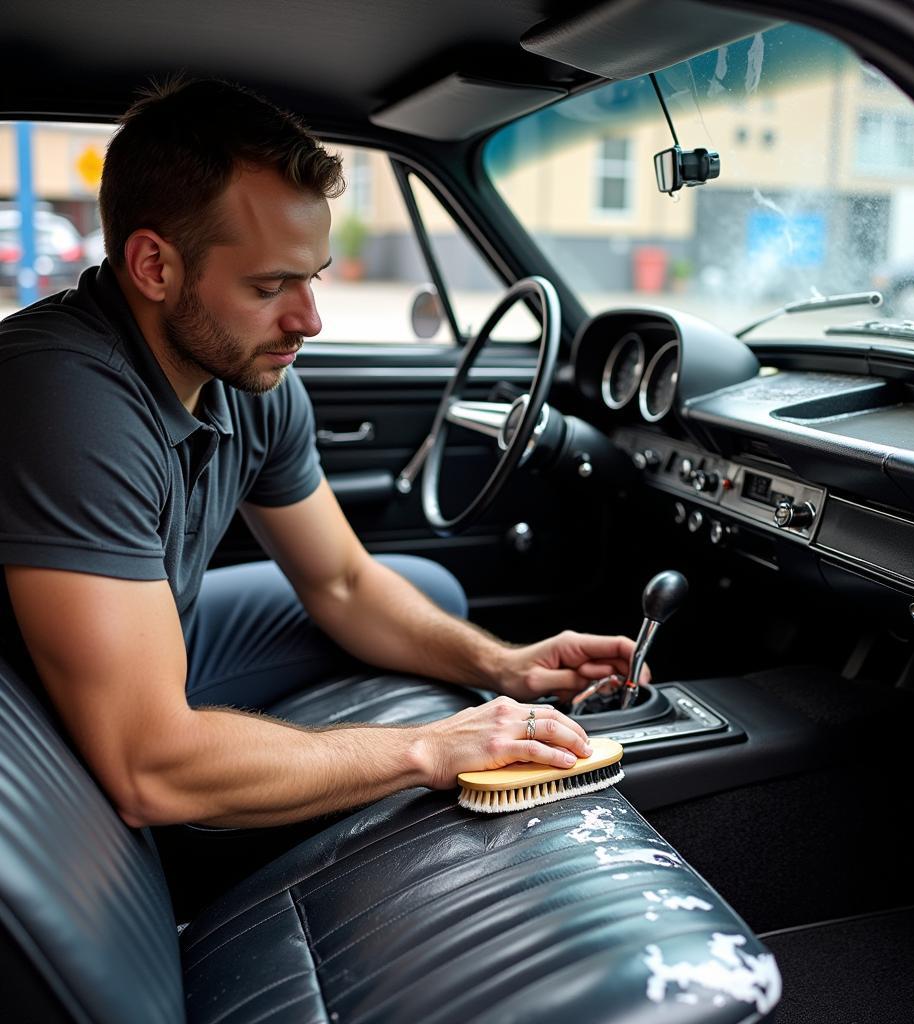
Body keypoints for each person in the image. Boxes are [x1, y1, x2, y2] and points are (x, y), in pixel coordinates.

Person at [0, 79, 645, 830]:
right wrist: (427, 749)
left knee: (422, 585)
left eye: (312, 277)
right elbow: (150, 768)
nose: (308, 320)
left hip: (149, 635)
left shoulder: (247, 373)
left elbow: (340, 582)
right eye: (270, 285)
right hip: (45, 706)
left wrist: (506, 666)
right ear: (153, 266)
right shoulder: (65, 396)